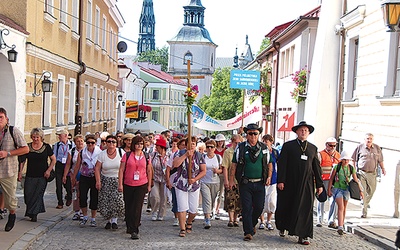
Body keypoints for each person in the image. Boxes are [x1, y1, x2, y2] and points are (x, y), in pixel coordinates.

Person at [275, 121, 323, 245]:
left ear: (308, 133)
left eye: (306, 130)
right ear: (296, 132)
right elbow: (282, 164)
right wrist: (281, 180)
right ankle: (283, 226)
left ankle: (303, 235)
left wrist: (319, 184)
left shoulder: (312, 148)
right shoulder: (288, 146)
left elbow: (316, 167)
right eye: (301, 130)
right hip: (290, 182)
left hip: (306, 183)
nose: (303, 132)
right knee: (288, 205)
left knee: (305, 209)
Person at [229, 123, 272, 241]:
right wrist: (231, 180)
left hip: (260, 183)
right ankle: (248, 232)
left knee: (259, 207)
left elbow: (269, 163)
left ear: (258, 134)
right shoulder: (241, 147)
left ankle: (251, 224)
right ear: (246, 134)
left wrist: (269, 176)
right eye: (250, 133)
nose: (253, 136)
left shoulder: (264, 148)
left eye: (255, 133)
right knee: (247, 207)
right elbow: (234, 164)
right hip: (245, 183)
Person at [118, 136, 153, 240]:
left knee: (137, 207)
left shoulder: (146, 156)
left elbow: (149, 171)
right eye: (138, 143)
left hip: (141, 184)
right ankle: (129, 225)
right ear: (134, 144)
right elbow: (121, 170)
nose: (139, 146)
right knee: (129, 206)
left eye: (141, 144)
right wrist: (120, 184)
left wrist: (149, 184)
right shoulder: (127, 155)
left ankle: (135, 229)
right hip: (128, 183)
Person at [0, 108, 29, 232]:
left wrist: (8, 153)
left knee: (10, 198)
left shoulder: (13, 131)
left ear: (6, 119)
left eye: (0, 117)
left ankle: (12, 214)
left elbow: (25, 149)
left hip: (8, 170)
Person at [18, 128, 56, 222]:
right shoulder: (27, 147)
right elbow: (22, 161)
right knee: (28, 194)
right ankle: (31, 211)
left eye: (37, 137)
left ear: (41, 137)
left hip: (42, 176)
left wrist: (49, 170)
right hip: (30, 175)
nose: (35, 139)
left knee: (38, 195)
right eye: (33, 137)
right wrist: (20, 172)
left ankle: (34, 214)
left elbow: (53, 159)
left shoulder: (46, 147)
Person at [172, 136, 206, 237]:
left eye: (193, 144)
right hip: (181, 183)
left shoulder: (199, 155)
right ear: (186, 145)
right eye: (189, 143)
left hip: (194, 184)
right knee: (182, 207)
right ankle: (182, 228)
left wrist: (195, 179)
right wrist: (185, 155)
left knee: (193, 209)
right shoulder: (180, 153)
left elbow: (203, 170)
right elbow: (176, 164)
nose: (191, 145)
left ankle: (189, 222)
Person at [327, 151, 363, 235]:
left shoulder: (351, 168)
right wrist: (329, 190)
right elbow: (331, 179)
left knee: (344, 208)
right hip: (337, 188)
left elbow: (356, 180)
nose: (346, 161)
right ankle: (340, 226)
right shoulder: (337, 167)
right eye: (344, 160)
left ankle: (341, 225)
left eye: (347, 160)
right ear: (341, 160)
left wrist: (360, 190)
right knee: (341, 207)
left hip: (346, 189)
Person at [71, 134, 102, 227]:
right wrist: (74, 177)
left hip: (95, 177)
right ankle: (84, 216)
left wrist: (99, 180)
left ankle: (93, 218)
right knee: (83, 197)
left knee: (94, 198)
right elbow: (77, 166)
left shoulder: (99, 153)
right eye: (88, 142)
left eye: (92, 143)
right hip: (84, 176)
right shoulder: (82, 152)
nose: (90, 144)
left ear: (95, 143)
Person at [352, 133, 385, 218]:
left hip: (372, 173)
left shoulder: (377, 148)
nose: (369, 140)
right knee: (363, 191)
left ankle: (365, 202)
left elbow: (380, 160)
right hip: (362, 172)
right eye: (367, 138)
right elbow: (354, 160)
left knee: (372, 191)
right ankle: (364, 211)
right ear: (364, 139)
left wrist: (383, 169)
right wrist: (354, 171)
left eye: (370, 139)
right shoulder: (359, 147)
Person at [95, 135, 125, 230]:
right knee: (106, 201)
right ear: (106, 143)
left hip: (117, 179)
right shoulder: (102, 154)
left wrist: (122, 182)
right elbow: (97, 168)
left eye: (113, 142)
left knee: (117, 201)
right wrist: (98, 181)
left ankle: (114, 220)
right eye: (109, 141)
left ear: (117, 143)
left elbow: (124, 168)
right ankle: (108, 220)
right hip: (105, 179)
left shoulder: (121, 152)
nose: (111, 144)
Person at [317, 137, 340, 228]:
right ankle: (320, 220)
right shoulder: (321, 154)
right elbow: (317, 168)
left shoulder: (338, 155)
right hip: (323, 180)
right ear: (326, 145)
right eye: (331, 145)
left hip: (334, 181)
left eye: (334, 145)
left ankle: (331, 220)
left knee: (334, 200)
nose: (333, 147)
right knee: (321, 199)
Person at [200, 139, 223, 229]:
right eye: (208, 147)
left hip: (215, 182)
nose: (209, 149)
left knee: (213, 200)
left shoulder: (218, 157)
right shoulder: (203, 157)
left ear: (214, 148)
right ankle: (207, 219)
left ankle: (210, 212)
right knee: (207, 200)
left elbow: (222, 169)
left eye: (211, 147)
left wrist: (217, 171)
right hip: (204, 181)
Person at [259, 134, 279, 231]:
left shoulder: (275, 152)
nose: (265, 143)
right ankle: (262, 221)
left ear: (271, 142)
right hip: (262, 178)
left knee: (271, 201)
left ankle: (269, 220)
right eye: (264, 141)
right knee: (262, 200)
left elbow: (278, 165)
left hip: (273, 179)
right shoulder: (260, 151)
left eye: (267, 141)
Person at [222, 134, 243, 227]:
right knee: (230, 198)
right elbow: (225, 167)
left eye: (239, 143)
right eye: (236, 143)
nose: (237, 144)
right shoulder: (228, 152)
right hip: (231, 179)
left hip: (241, 180)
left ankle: (236, 219)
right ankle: (230, 219)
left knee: (239, 200)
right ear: (232, 142)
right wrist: (226, 180)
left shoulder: (243, 151)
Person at [63, 134, 85, 221]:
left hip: (84, 174)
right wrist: (65, 175)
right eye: (78, 141)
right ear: (75, 143)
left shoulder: (86, 150)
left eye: (81, 141)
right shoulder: (71, 151)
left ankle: (83, 211)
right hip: (74, 174)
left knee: (82, 194)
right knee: (75, 194)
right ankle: (76, 212)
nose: (80, 143)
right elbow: (68, 164)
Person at [166, 138, 186, 227]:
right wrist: (168, 181)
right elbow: (168, 168)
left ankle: (183, 217)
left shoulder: (191, 155)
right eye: (182, 145)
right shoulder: (174, 155)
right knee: (175, 200)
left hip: (186, 182)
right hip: (175, 181)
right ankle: (176, 217)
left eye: (186, 145)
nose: (184, 147)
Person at [150, 137, 169, 221]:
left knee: (163, 198)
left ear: (161, 147)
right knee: (154, 196)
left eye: (157, 146)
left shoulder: (169, 156)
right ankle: (154, 211)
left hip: (165, 180)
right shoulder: (153, 155)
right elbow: (150, 166)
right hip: (155, 178)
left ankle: (161, 214)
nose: (156, 147)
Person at [53, 129, 73, 209]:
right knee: (58, 184)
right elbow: (54, 156)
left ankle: (69, 196)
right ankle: (60, 202)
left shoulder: (72, 145)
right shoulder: (57, 145)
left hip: (68, 165)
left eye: (60, 135)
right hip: (59, 165)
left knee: (67, 184)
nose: (58, 137)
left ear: (65, 136)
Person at [214, 134, 227, 219]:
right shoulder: (214, 150)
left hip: (223, 173)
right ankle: (213, 208)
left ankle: (217, 208)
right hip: (215, 173)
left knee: (220, 192)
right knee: (215, 191)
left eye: (221, 141)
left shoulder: (226, 150)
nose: (220, 143)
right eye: (218, 141)